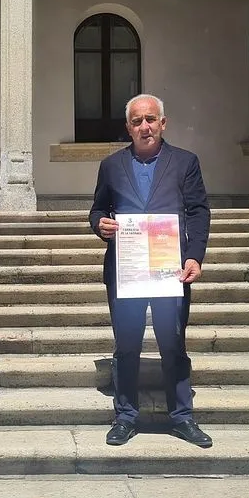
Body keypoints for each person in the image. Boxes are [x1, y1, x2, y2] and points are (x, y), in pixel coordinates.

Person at [89, 94, 213, 448]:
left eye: (151, 119)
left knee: (172, 342)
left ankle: (182, 417)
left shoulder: (185, 162)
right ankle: (126, 417)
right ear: (128, 127)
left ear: (163, 123)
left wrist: (194, 256)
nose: (145, 126)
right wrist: (101, 225)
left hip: (169, 268)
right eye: (137, 121)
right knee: (126, 344)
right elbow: (96, 210)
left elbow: (198, 211)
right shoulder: (111, 165)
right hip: (126, 269)